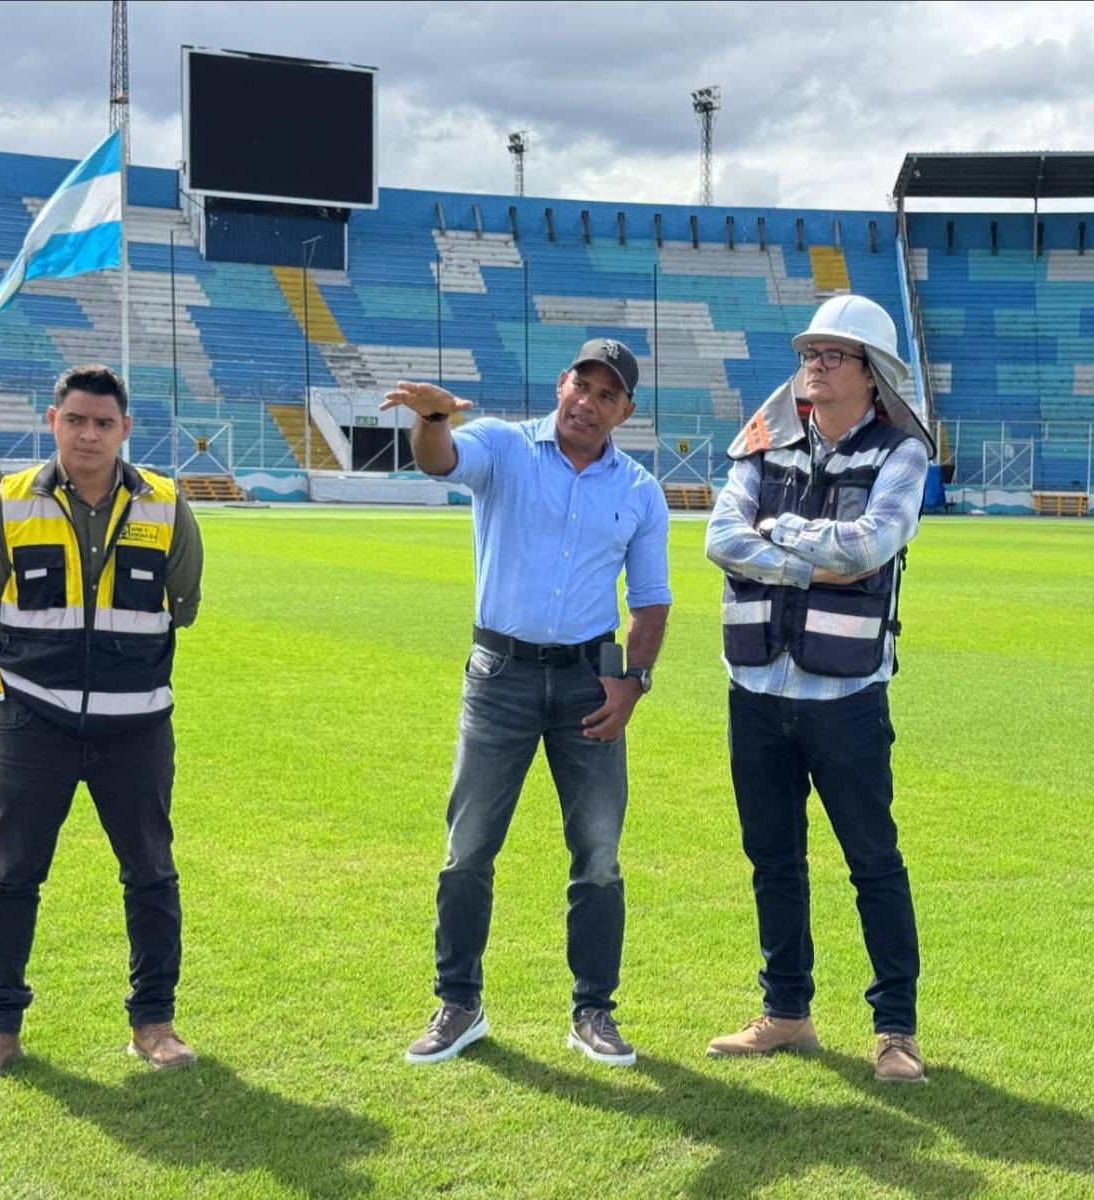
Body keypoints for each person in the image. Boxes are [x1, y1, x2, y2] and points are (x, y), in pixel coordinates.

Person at [383, 339, 671, 1067]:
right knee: (468, 848)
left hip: (588, 679)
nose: (589, 402)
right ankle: (459, 1003)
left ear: (625, 412)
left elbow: (650, 600)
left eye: (608, 396)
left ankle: (593, 1013)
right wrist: (434, 418)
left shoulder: (638, 489)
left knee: (599, 854)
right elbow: (440, 458)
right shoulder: (504, 447)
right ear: (562, 382)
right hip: (500, 674)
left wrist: (631, 682)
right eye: (583, 384)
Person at [0, 364, 204, 1085]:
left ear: (125, 429)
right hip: (33, 723)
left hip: (138, 730)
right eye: (75, 420)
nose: (87, 434)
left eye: (103, 423)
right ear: (52, 420)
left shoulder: (167, 505)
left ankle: (153, 1024)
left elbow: (181, 603)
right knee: (12, 876)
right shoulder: (6, 505)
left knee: (151, 874)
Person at [704, 295, 934, 1082]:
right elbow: (719, 538)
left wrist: (779, 536)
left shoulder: (902, 453)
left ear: (872, 376)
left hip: (847, 699)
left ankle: (896, 1030)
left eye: (832, 356)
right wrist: (817, 553)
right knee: (772, 859)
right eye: (809, 353)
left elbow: (873, 545)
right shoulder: (760, 445)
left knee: (873, 862)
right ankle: (787, 1014)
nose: (813, 366)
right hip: (757, 691)